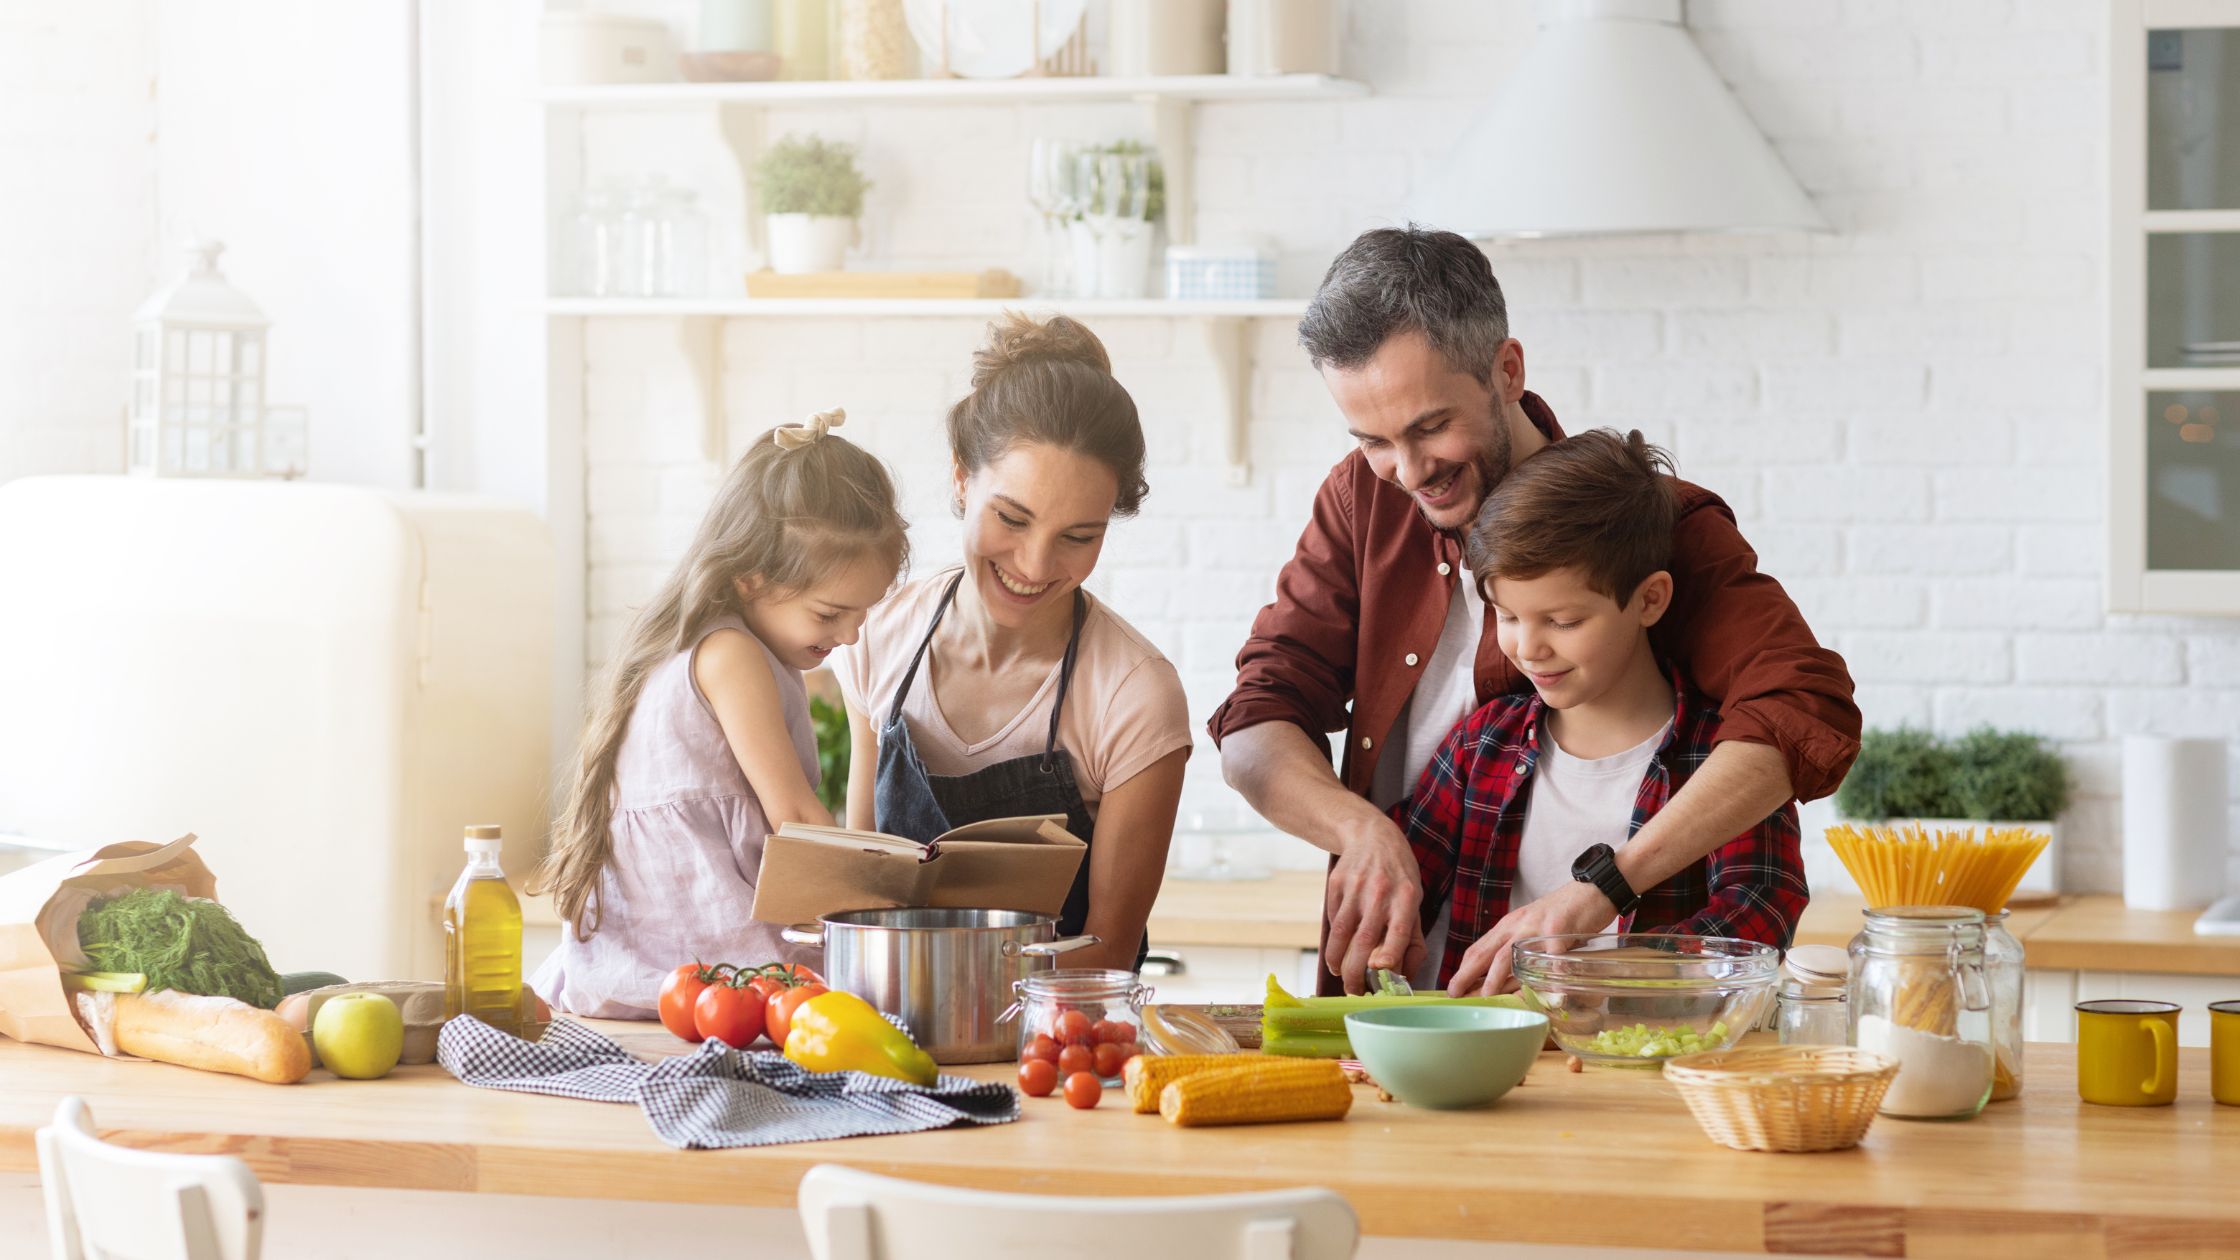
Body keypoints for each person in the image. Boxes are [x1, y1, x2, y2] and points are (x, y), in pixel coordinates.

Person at [1209, 226, 1859, 994]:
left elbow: (1801, 708)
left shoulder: (1649, 525)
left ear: (1507, 370)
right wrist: (1360, 831)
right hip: (1420, 1005)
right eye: (1373, 440)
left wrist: (1603, 895)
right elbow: (1255, 721)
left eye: (1429, 427)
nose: (1408, 472)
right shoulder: (1362, 499)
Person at [1393, 429, 1809, 995]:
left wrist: (1585, 978)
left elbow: (1757, 917)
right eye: (1508, 616)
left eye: (1563, 622)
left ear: (1650, 599)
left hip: (1647, 1067)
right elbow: (1403, 887)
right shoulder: (1479, 745)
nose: (1528, 648)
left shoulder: (1723, 761)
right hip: (1486, 1065)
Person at [835, 314, 1192, 973]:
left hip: (1056, 1046)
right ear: (962, 479)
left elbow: (1108, 952)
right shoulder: (876, 636)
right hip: (888, 1033)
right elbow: (863, 894)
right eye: (1012, 518)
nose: (1034, 564)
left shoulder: (1134, 692)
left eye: (1078, 537)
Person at [531, 410, 907, 1018]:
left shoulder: (717, 642)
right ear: (751, 580)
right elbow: (794, 816)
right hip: (706, 954)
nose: (850, 636)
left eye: (863, 614)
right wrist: (878, 906)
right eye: (830, 614)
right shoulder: (732, 655)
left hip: (660, 959)